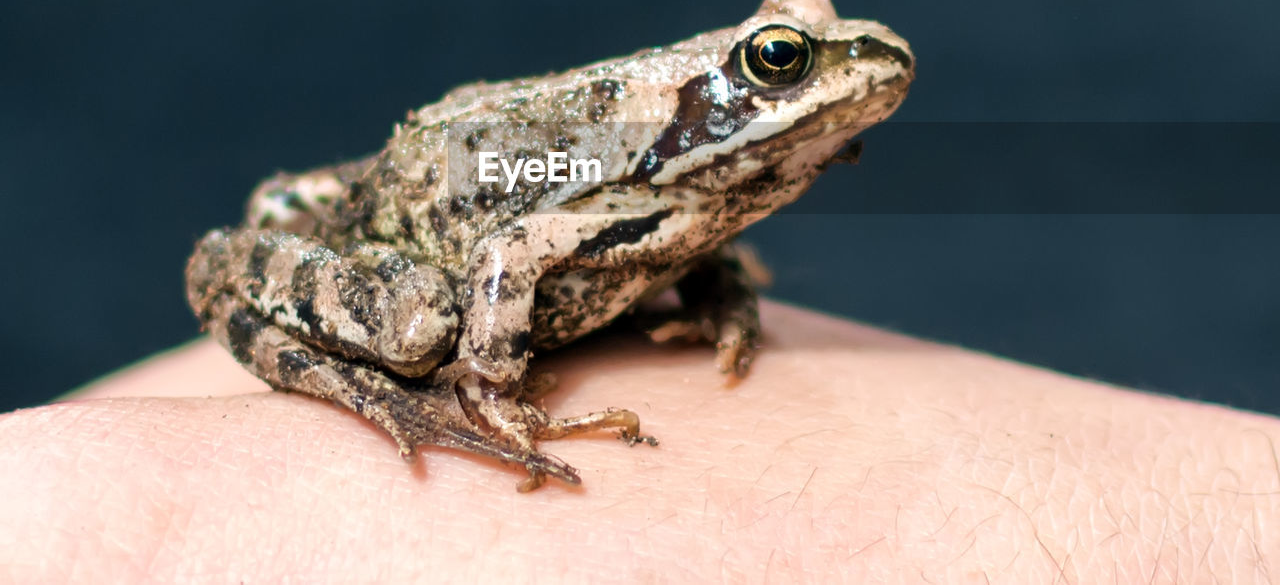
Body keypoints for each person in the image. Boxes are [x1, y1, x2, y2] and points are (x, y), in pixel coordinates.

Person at [2, 301, 1276, 580]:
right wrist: (494, 400)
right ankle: (408, 400)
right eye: (780, 63)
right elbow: (510, 255)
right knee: (409, 325)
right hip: (425, 234)